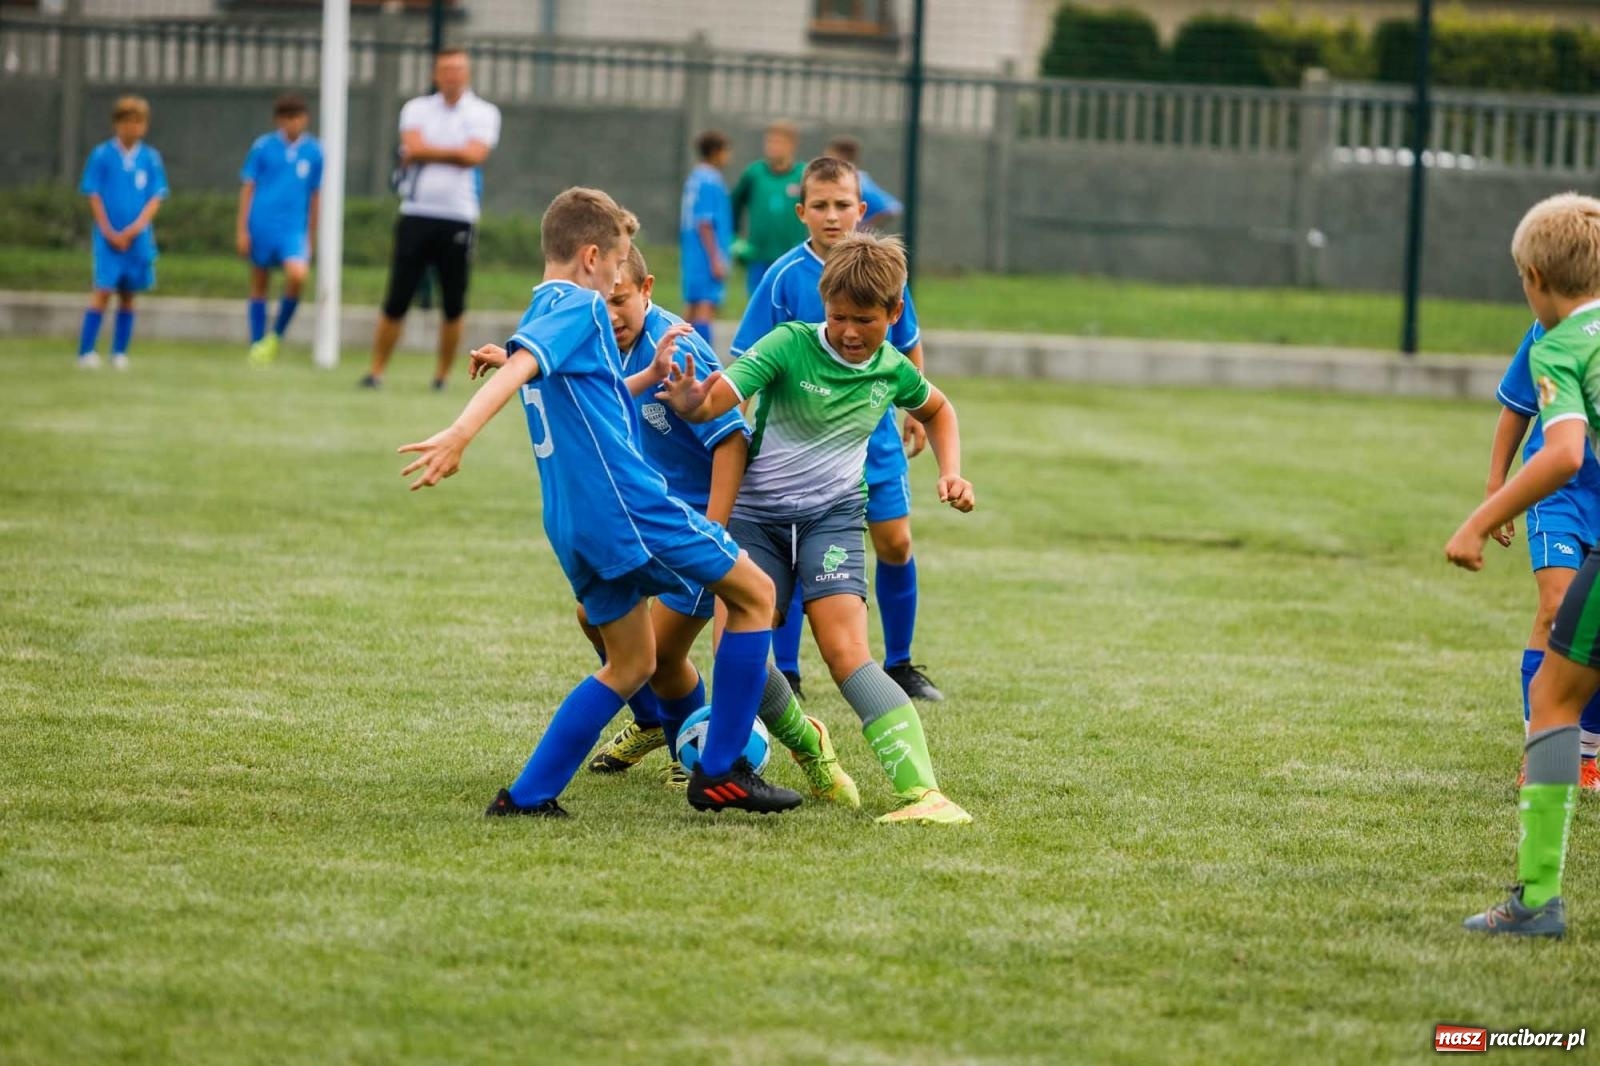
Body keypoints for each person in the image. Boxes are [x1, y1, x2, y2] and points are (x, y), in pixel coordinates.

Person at [398, 186, 800, 817]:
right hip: (630, 510)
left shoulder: (540, 309)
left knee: (633, 661)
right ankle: (722, 771)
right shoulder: (582, 310)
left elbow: (594, 390)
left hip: (572, 522)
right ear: (591, 256)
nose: (620, 279)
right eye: (617, 266)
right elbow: (520, 370)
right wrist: (459, 433)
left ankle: (528, 797)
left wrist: (651, 371)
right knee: (756, 595)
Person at [658, 231, 975, 826]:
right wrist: (692, 400)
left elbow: (938, 408)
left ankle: (923, 794)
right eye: (839, 318)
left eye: (866, 320)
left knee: (846, 652)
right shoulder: (787, 345)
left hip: (832, 519)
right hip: (758, 519)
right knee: (736, 650)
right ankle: (812, 749)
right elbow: (719, 399)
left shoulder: (889, 369)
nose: (851, 333)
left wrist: (952, 472)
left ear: (894, 313)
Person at [733, 155, 942, 703]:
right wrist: (740, 426)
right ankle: (788, 673)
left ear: (861, 208)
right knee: (797, 550)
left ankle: (899, 663)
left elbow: (908, 343)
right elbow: (746, 360)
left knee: (895, 542)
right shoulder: (782, 277)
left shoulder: (883, 273)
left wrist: (915, 410)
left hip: (871, 436)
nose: (832, 216)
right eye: (820, 206)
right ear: (802, 212)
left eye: (842, 205)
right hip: (802, 443)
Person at [1446, 191, 1600, 938]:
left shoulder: (1563, 345)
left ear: (1535, 277)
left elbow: (1565, 451)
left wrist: (1482, 517)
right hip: (1578, 519)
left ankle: (1537, 902)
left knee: (1555, 694)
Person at [1487, 323, 1600, 790]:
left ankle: (1587, 754)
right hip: (1558, 493)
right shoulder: (1554, 324)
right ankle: (1542, 755)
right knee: (1558, 607)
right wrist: (1497, 488)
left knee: (1595, 621)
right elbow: (1517, 407)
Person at [362, 49, 501, 391]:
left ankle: (441, 376)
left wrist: (429, 150)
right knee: (396, 298)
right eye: (445, 70)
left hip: (458, 218)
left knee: (452, 302)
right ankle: (376, 371)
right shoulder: (416, 109)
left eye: (457, 69)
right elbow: (413, 145)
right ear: (436, 74)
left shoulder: (483, 112)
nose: (451, 76)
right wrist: (453, 151)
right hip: (415, 214)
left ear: (466, 74)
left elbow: (474, 155)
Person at [76, 96, 167, 371]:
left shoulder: (150, 158)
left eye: (138, 122)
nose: (132, 127)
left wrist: (135, 229)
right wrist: (108, 230)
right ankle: (86, 351)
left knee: (129, 294)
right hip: (108, 238)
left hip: (137, 239)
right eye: (127, 122)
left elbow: (155, 197)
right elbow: (93, 194)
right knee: (103, 290)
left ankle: (119, 352)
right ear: (116, 124)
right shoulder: (102, 155)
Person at [237, 94, 323, 365]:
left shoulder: (315, 151)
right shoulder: (263, 147)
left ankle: (275, 336)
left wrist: (312, 236)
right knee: (260, 282)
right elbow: (248, 187)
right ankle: (257, 343)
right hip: (262, 223)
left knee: (297, 276)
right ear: (278, 121)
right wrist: (242, 229)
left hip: (292, 228)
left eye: (297, 117)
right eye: (287, 118)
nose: (293, 123)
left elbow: (315, 196)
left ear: (305, 118)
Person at [731, 120, 806, 295]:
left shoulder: (803, 174)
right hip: (758, 255)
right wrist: (734, 239)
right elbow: (733, 205)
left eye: (778, 142)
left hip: (791, 256)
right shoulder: (754, 173)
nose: (773, 147)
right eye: (769, 142)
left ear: (791, 145)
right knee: (758, 305)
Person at [679, 130, 733, 349]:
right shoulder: (711, 180)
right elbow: (705, 222)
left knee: (691, 306)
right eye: (726, 151)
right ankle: (701, 356)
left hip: (691, 252)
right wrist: (716, 258)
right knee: (705, 305)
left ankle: (676, 352)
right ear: (716, 152)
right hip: (705, 253)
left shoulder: (694, 178)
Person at [823, 136, 902, 228]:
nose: (825, 161)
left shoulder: (857, 180)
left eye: (829, 156)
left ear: (843, 157)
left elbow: (892, 208)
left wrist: (862, 228)